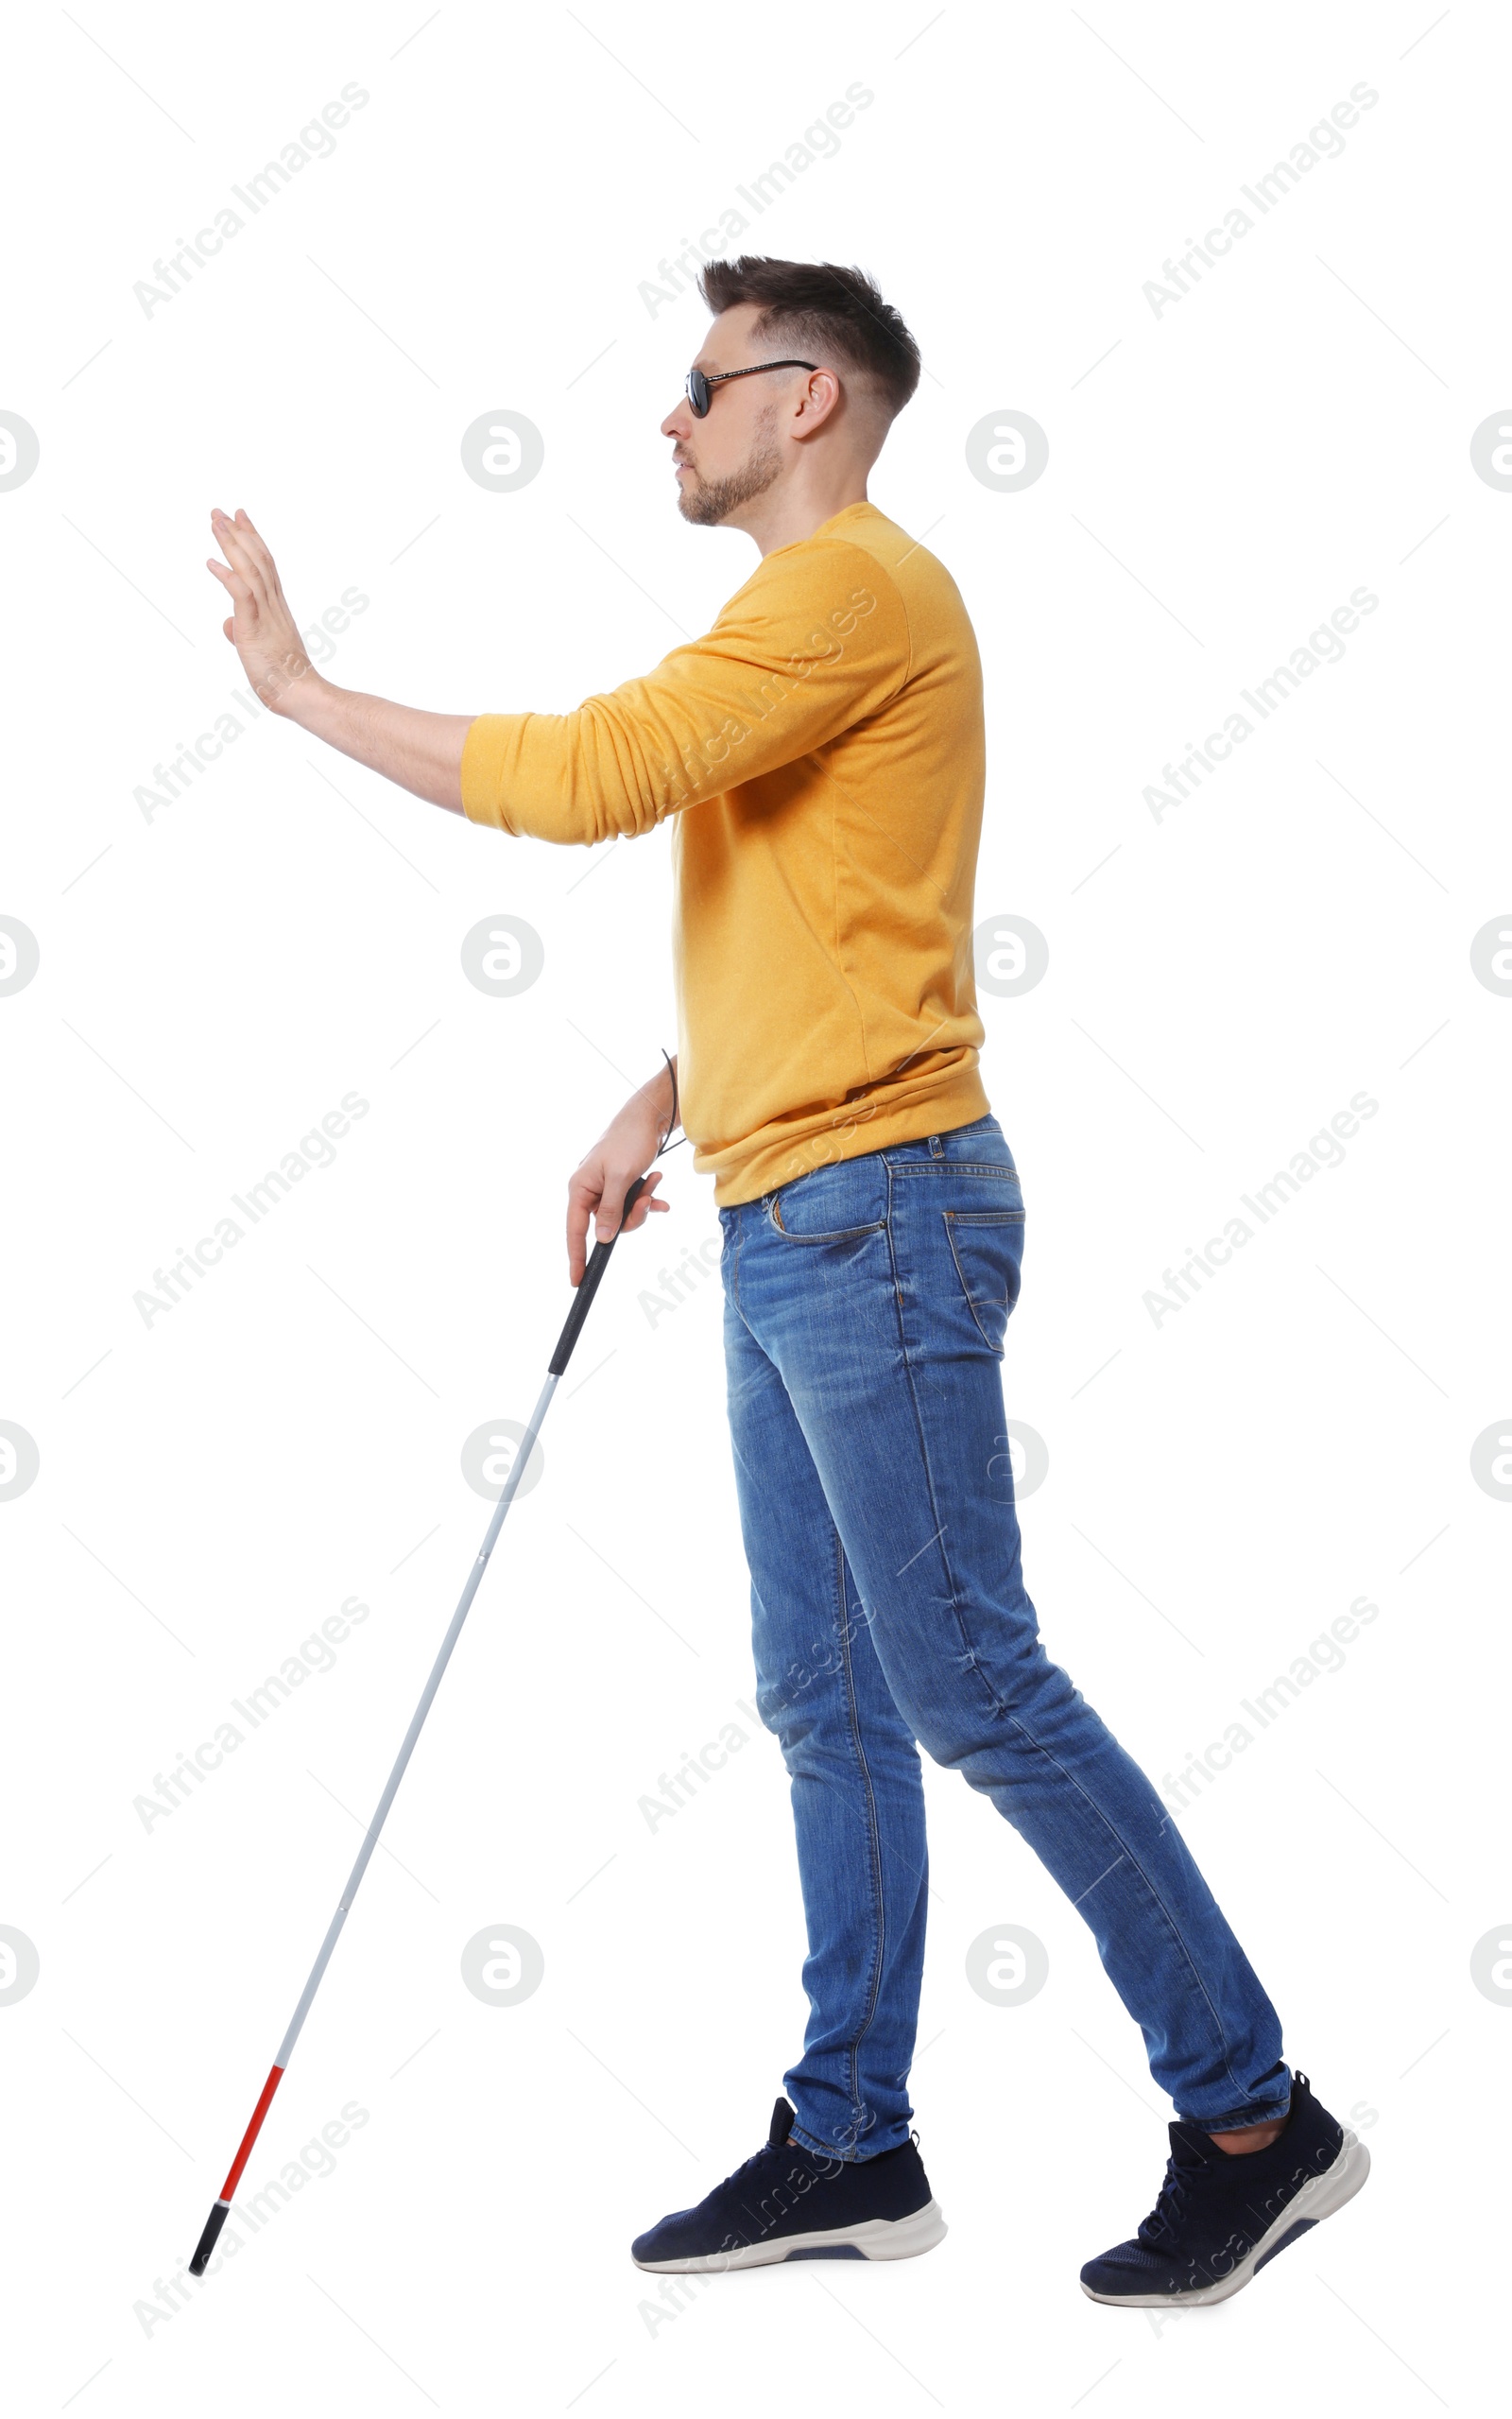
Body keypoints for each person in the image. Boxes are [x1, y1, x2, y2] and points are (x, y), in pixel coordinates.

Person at [204, 254, 1369, 2306]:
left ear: (805, 398)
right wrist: (662, 1096)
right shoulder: (813, 622)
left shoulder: (842, 593)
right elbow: (833, 900)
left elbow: (579, 781)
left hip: (879, 1203)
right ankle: (850, 2138)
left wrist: (303, 691)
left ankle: (1252, 2113)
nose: (669, 414)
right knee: (829, 1697)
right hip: (788, 1195)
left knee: (962, 1682)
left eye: (699, 380)